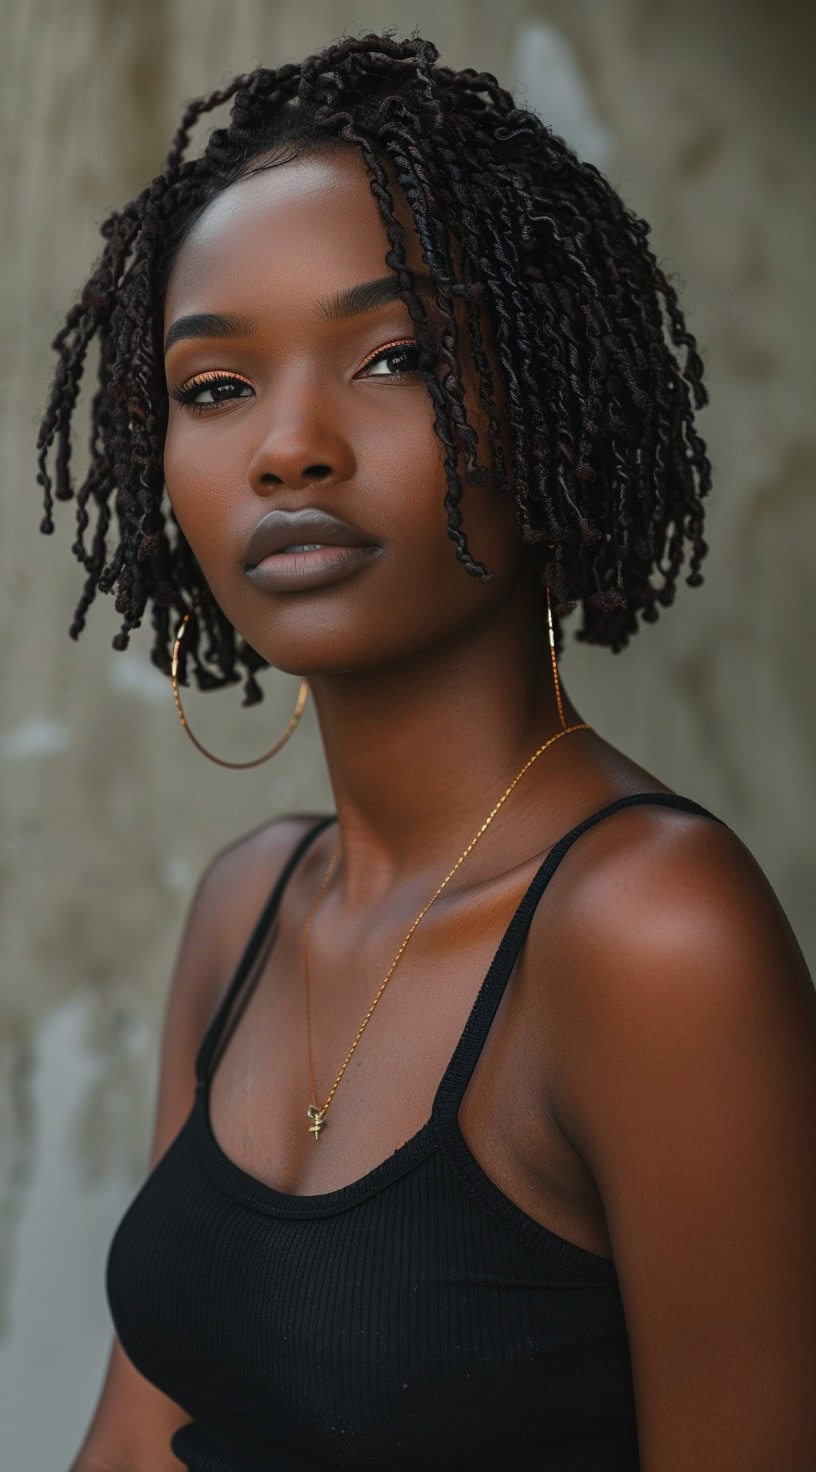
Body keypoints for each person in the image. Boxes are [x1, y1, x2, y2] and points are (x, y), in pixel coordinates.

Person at [38, 31, 815, 1472]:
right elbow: (143, 1435)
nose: (288, 449)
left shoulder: (653, 931)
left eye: (394, 357)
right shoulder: (248, 904)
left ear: (550, 399)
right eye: (216, 387)